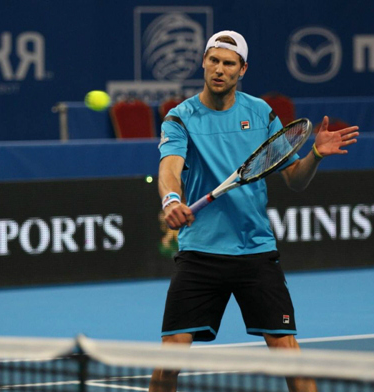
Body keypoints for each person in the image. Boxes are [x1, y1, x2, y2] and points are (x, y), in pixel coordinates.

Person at [149, 30, 359, 392]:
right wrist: (171, 199)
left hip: (255, 252)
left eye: (228, 63)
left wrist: (316, 156)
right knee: (170, 360)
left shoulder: (261, 114)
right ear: (203, 61)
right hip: (201, 251)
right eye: (213, 60)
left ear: (242, 69)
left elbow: (294, 179)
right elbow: (169, 168)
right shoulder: (179, 117)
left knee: (288, 354)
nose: (219, 69)